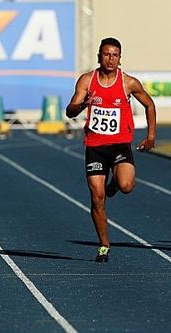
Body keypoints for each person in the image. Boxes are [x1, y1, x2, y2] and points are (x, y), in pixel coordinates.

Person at [66, 37, 156, 262]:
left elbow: (149, 104)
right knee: (97, 197)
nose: (111, 59)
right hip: (95, 147)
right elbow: (70, 110)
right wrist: (80, 105)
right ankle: (104, 245)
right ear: (99, 56)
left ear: (120, 58)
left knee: (126, 186)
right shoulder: (87, 81)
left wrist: (151, 136)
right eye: (107, 54)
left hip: (119, 144)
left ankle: (114, 183)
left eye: (115, 55)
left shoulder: (128, 82)